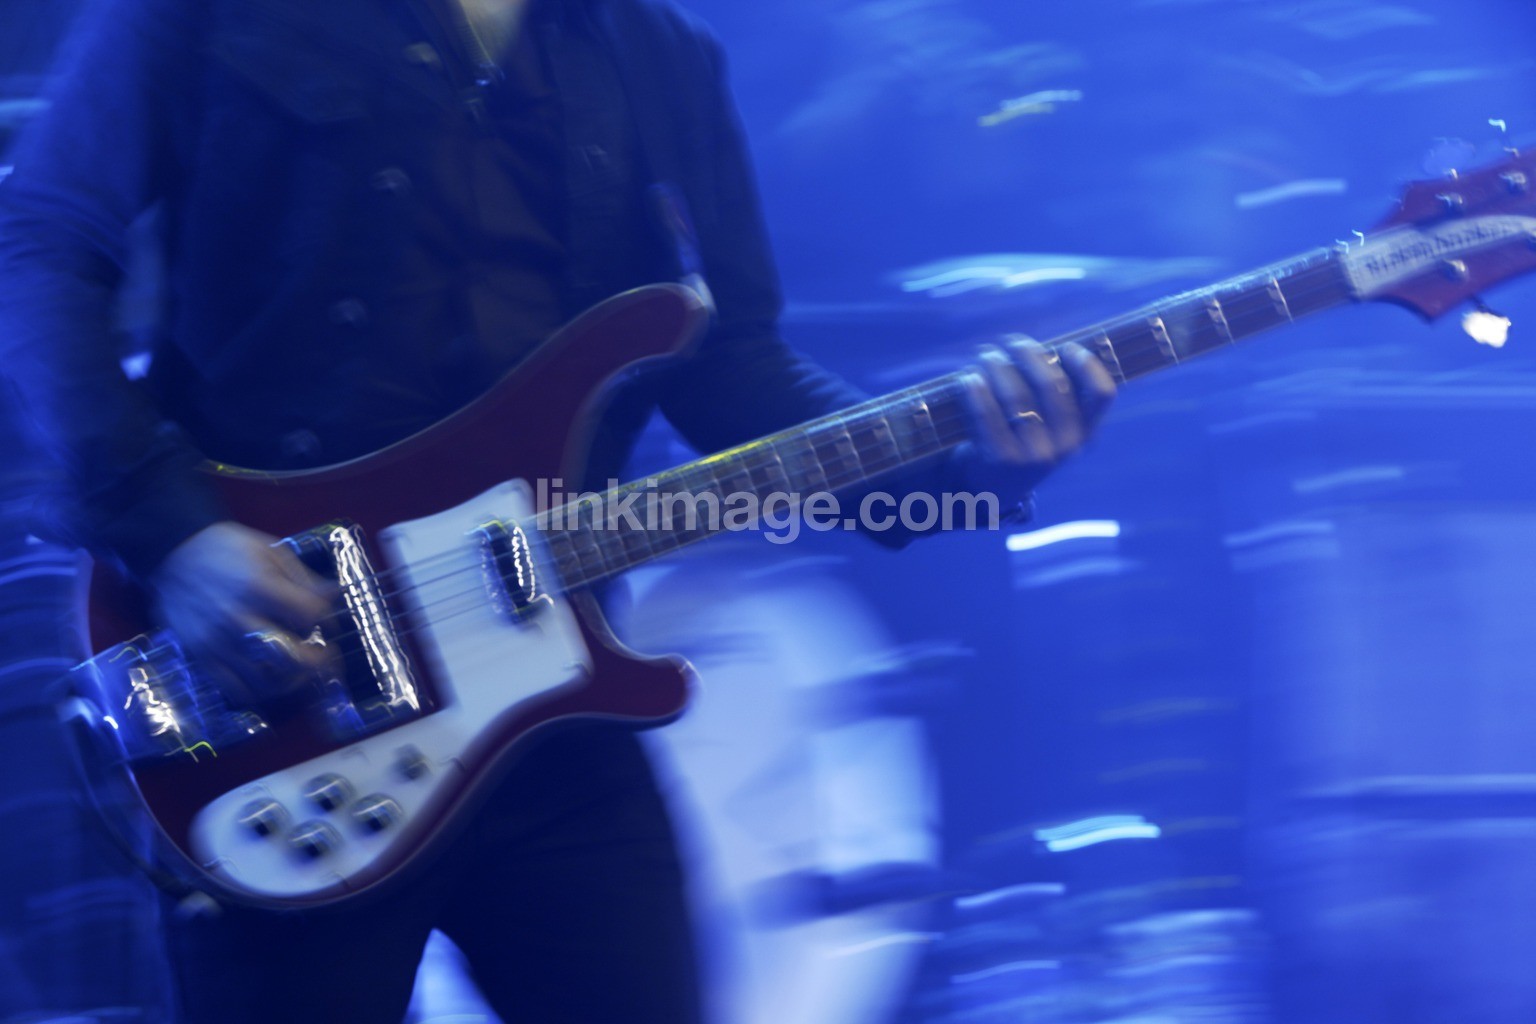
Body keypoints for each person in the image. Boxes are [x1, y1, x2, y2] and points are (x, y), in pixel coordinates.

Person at [0, 0, 1114, 1020]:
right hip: (283, 685)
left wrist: (973, 464)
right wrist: (173, 534)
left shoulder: (657, 51)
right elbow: (39, 241)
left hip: (550, 704)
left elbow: (733, 368)